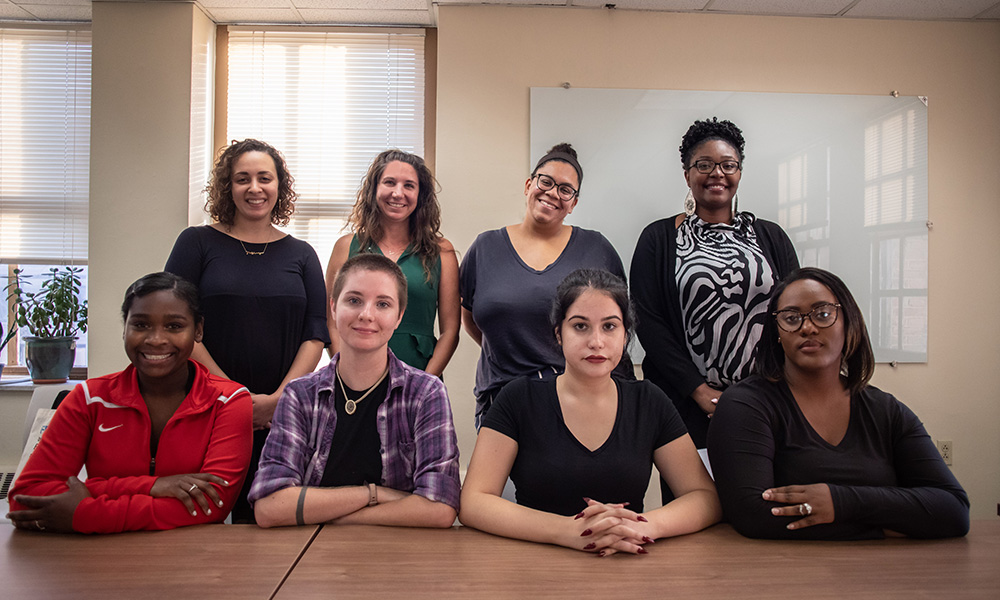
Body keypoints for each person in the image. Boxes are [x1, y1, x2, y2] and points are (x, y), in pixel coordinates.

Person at [459, 269, 720, 555]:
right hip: (533, 566)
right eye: (580, 326)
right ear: (559, 333)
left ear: (625, 334)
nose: (596, 341)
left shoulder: (649, 401)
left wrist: (643, 526)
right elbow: (474, 502)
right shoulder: (519, 399)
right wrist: (567, 531)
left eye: (609, 326)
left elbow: (704, 497)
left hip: (627, 564)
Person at [707, 267, 969, 540]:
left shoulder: (886, 411)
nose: (807, 327)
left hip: (885, 575)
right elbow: (753, 515)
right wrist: (885, 526)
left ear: (849, 322)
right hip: (783, 573)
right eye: (791, 318)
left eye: (823, 314)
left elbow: (953, 510)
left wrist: (840, 502)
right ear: (777, 332)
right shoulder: (745, 406)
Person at [6, 272, 252, 533]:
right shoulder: (89, 399)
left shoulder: (229, 401)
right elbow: (25, 499)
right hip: (96, 559)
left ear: (198, 330)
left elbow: (212, 504)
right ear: (124, 328)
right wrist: (151, 485)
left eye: (174, 326)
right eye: (141, 325)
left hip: (191, 557)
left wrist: (87, 511)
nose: (156, 339)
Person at [165, 139, 330, 522]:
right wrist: (235, 398)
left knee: (268, 519)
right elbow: (176, 324)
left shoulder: (302, 254)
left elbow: (316, 333)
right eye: (242, 179)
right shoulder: (197, 243)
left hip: (282, 413)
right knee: (198, 515)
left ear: (279, 186)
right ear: (228, 186)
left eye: (264, 178)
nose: (254, 188)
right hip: (206, 404)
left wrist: (277, 400)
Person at [250, 254, 460, 528]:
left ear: (399, 317)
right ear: (334, 307)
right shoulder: (299, 395)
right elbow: (269, 507)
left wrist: (334, 516)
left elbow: (440, 508)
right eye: (354, 300)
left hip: (401, 555)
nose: (366, 314)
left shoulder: (426, 394)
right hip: (311, 555)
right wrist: (372, 494)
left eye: (382, 304)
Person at [631, 117, 799, 451]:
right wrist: (700, 391)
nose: (717, 173)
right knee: (694, 499)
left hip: (767, 400)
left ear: (739, 172)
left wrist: (776, 387)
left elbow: (795, 311)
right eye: (704, 165)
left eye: (728, 165)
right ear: (687, 174)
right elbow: (648, 321)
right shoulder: (659, 238)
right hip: (684, 404)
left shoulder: (771, 237)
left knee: (760, 498)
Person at [460, 143, 628, 427]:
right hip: (501, 402)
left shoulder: (596, 249)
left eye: (565, 189)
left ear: (574, 203)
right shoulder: (485, 247)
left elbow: (619, 327)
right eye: (546, 182)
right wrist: (512, 353)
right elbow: (472, 319)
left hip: (578, 402)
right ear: (529, 185)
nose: (552, 193)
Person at [325, 149, 459, 376]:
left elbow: (451, 331)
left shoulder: (441, 252)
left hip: (421, 376)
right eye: (389, 182)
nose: (398, 193)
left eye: (409, 185)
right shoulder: (346, 247)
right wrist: (346, 373)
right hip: (355, 376)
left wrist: (425, 384)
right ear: (374, 189)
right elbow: (331, 321)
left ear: (420, 195)